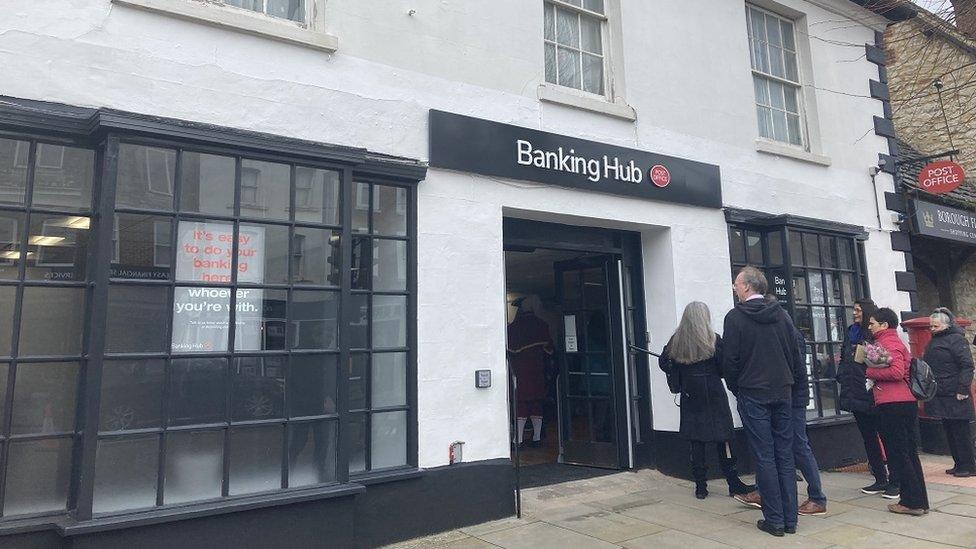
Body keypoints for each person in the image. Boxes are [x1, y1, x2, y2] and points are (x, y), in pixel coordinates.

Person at [723, 267, 803, 537]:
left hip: (752, 392)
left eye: (736, 284)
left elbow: (730, 361)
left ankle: (775, 520)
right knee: (784, 454)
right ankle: (790, 519)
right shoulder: (782, 315)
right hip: (782, 390)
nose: (734, 288)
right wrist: (793, 386)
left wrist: (736, 388)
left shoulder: (735, 318)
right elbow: (795, 353)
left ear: (747, 287)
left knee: (764, 456)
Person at [658, 302, 755, 500]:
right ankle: (733, 482)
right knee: (724, 438)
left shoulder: (676, 341)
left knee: (696, 440)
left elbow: (664, 362)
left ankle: (700, 487)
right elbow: (723, 367)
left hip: (690, 394)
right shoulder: (714, 339)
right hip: (713, 392)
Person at [865, 307, 929, 516]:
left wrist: (869, 370)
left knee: (899, 452)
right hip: (904, 402)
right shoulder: (894, 341)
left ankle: (911, 502)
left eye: (872, 323)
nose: (870, 326)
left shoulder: (887, 342)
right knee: (909, 452)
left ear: (884, 325)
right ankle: (918, 500)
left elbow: (897, 371)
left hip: (893, 403)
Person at [836, 299, 898, 497]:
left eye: (857, 310)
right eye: (853, 309)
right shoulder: (850, 331)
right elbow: (845, 357)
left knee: (887, 436)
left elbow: (883, 362)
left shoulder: (873, 334)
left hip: (873, 390)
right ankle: (880, 478)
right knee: (868, 438)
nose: (854, 313)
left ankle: (895, 481)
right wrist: (842, 375)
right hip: (854, 390)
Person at [922, 308, 975, 477]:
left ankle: (969, 466)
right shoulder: (935, 340)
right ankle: (958, 463)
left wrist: (962, 389)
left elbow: (967, 366)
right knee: (949, 430)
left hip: (955, 392)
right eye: (931, 326)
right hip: (940, 391)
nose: (932, 329)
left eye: (935, 326)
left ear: (946, 325)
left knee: (960, 431)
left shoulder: (956, 340)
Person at [507, 296, 554, 447]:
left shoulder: (513, 328)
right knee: (536, 404)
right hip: (537, 370)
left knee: (521, 405)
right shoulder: (542, 324)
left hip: (520, 371)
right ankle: (536, 438)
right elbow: (549, 349)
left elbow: (510, 349)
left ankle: (518, 440)